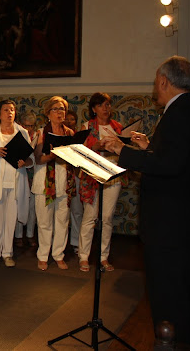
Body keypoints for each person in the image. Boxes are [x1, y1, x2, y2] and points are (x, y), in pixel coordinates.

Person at [103, 56, 190, 348]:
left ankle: (171, 344)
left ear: (164, 81)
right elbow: (180, 160)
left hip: (171, 224)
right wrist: (149, 146)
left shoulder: (178, 115)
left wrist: (122, 150)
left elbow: (169, 166)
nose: (155, 87)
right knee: (186, 290)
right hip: (186, 217)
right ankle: (186, 341)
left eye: (156, 81)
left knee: (170, 293)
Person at [0, 100, 32, 268]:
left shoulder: (22, 132)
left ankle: (8, 253)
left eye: (12, 110)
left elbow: (30, 159)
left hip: (15, 182)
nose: (10, 112)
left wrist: (25, 162)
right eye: (6, 110)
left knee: (10, 221)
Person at [77, 93, 126, 272]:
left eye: (108, 105)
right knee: (90, 217)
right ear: (94, 109)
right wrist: (94, 147)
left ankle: (103, 257)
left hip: (113, 176)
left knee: (106, 218)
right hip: (93, 176)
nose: (106, 108)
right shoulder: (87, 127)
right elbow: (80, 152)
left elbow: (125, 150)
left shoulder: (117, 127)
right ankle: (83, 256)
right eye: (101, 105)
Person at [32, 96, 76, 271]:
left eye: (62, 109)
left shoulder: (70, 133)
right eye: (56, 109)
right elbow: (38, 159)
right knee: (44, 222)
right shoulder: (41, 133)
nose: (60, 112)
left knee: (62, 221)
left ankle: (58, 254)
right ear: (48, 113)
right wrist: (51, 156)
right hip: (44, 182)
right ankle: (43, 255)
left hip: (64, 181)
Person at [16, 111, 38, 247]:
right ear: (20, 124)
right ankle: (18, 235)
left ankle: (30, 234)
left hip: (34, 173)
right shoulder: (17, 135)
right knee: (20, 204)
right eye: (26, 126)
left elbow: (35, 157)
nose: (29, 129)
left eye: (31, 126)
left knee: (32, 206)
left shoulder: (37, 136)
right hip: (20, 173)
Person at [64, 110, 83, 255]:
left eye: (72, 119)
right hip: (61, 175)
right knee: (62, 212)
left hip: (75, 176)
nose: (69, 121)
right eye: (67, 119)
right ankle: (59, 242)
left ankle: (76, 242)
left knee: (77, 211)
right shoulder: (59, 135)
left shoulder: (79, 137)